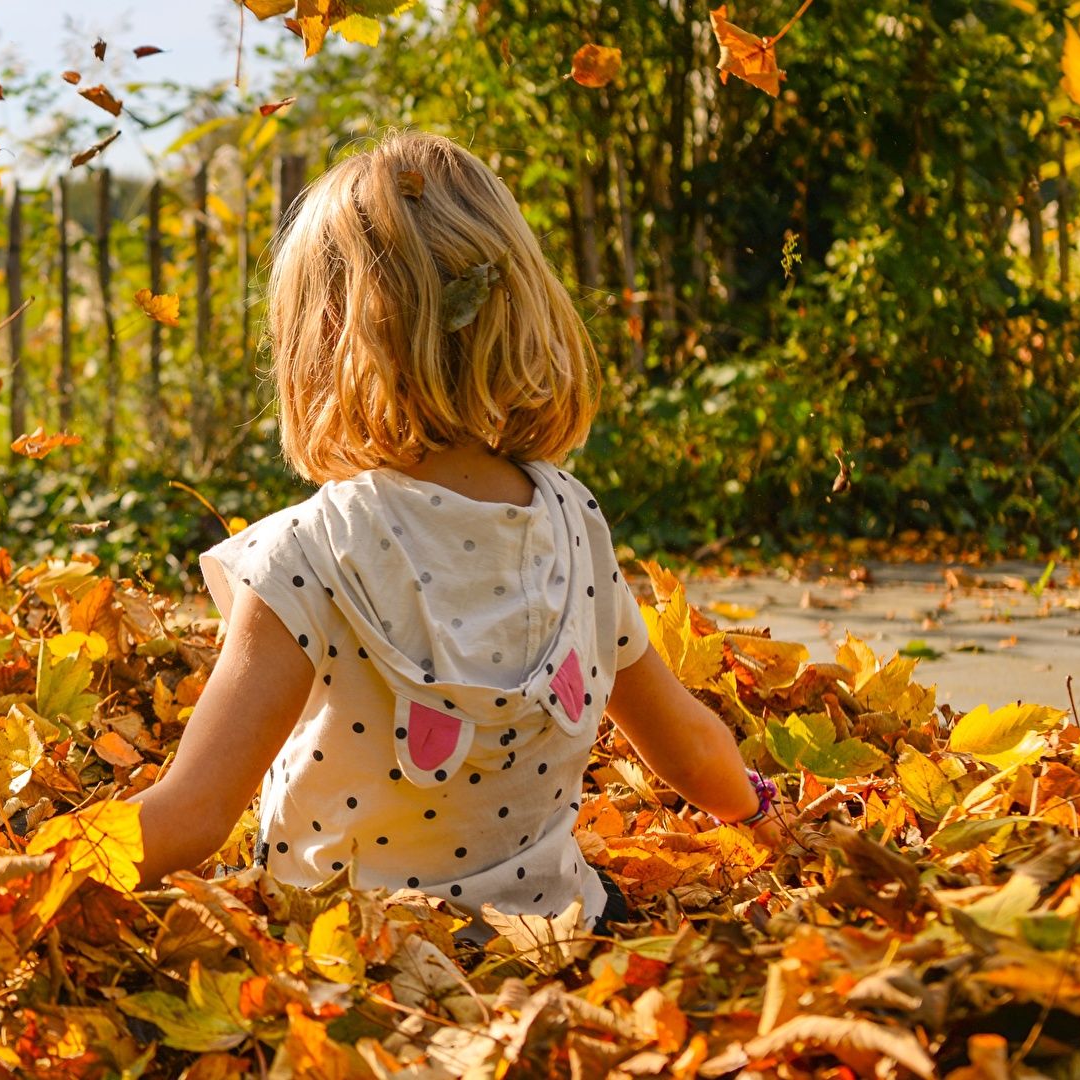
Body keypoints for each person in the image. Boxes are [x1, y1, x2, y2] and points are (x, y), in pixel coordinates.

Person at [127, 131, 777, 930]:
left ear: (327, 338)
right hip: (557, 935)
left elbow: (192, 814)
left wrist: (24, 871)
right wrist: (760, 817)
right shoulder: (574, 521)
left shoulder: (307, 555)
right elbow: (687, 745)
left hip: (355, 959)